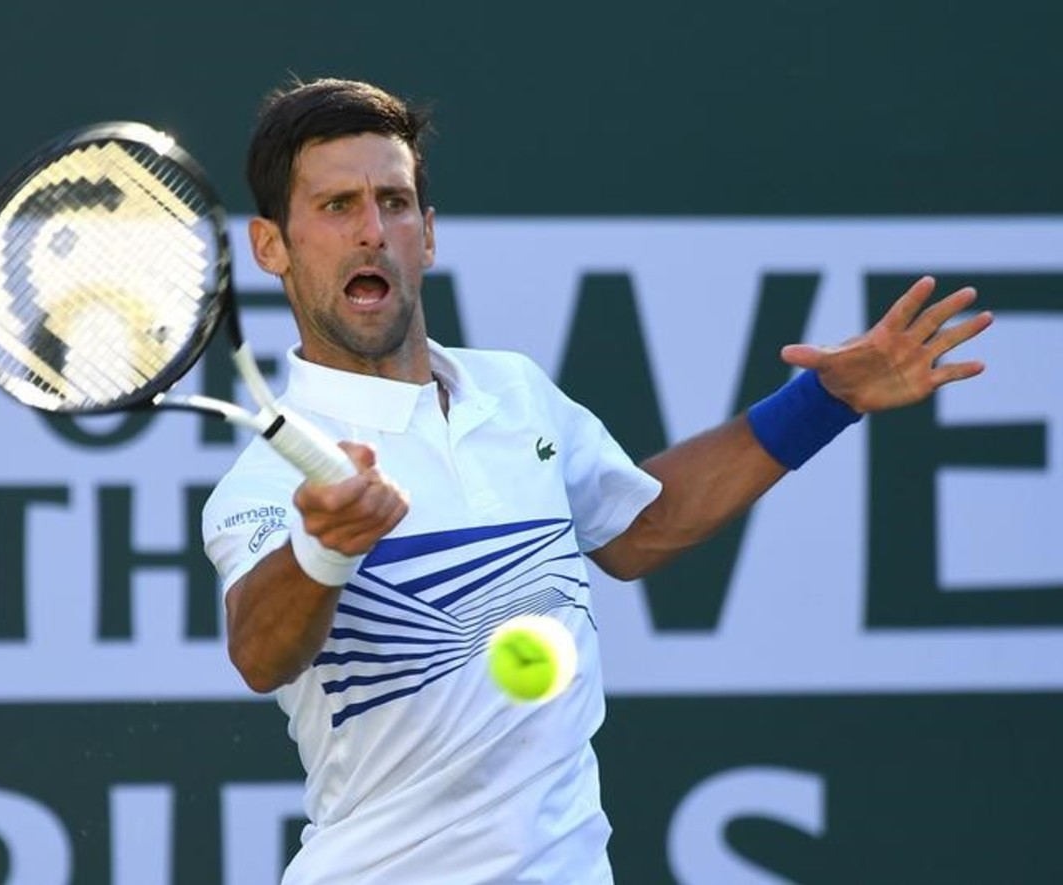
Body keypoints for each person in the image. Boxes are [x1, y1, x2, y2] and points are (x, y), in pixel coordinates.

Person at [202, 77, 993, 884]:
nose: (373, 230)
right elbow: (260, 652)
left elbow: (642, 528)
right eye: (337, 206)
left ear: (428, 234)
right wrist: (324, 547)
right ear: (272, 246)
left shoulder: (516, 393)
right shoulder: (262, 483)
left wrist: (824, 400)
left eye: (395, 203)